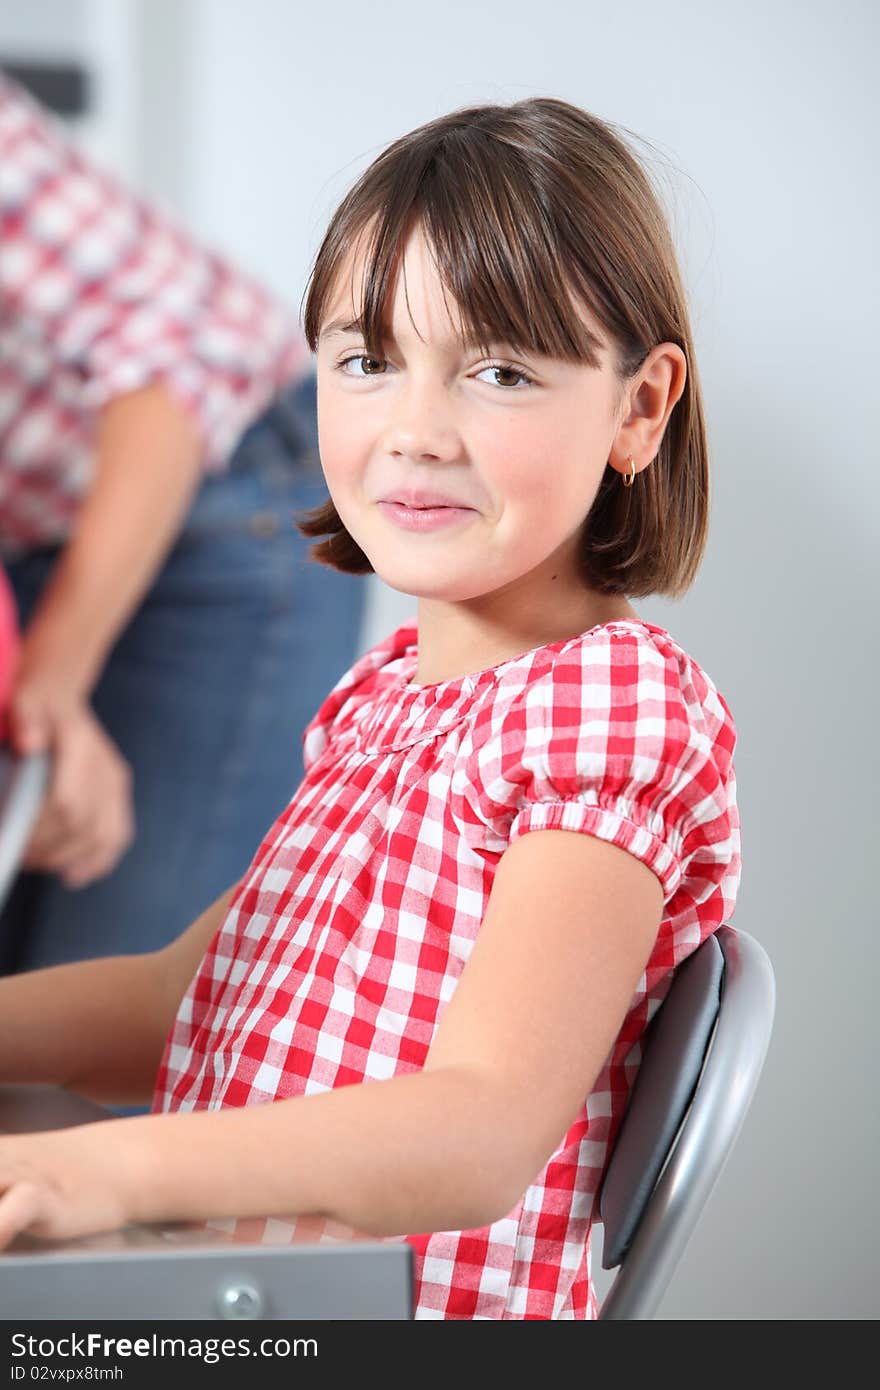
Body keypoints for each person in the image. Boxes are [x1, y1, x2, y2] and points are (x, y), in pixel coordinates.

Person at [0, 97, 741, 1320]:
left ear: (639, 409)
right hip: (240, 1302)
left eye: (499, 371)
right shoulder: (382, 703)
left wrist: (99, 1164)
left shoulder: (613, 713)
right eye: (366, 361)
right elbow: (180, 1002)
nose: (414, 432)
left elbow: (478, 1126)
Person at [0, 74, 365, 973]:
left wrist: (48, 687)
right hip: (35, 541)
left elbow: (182, 352)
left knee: (106, 1003)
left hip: (222, 506)